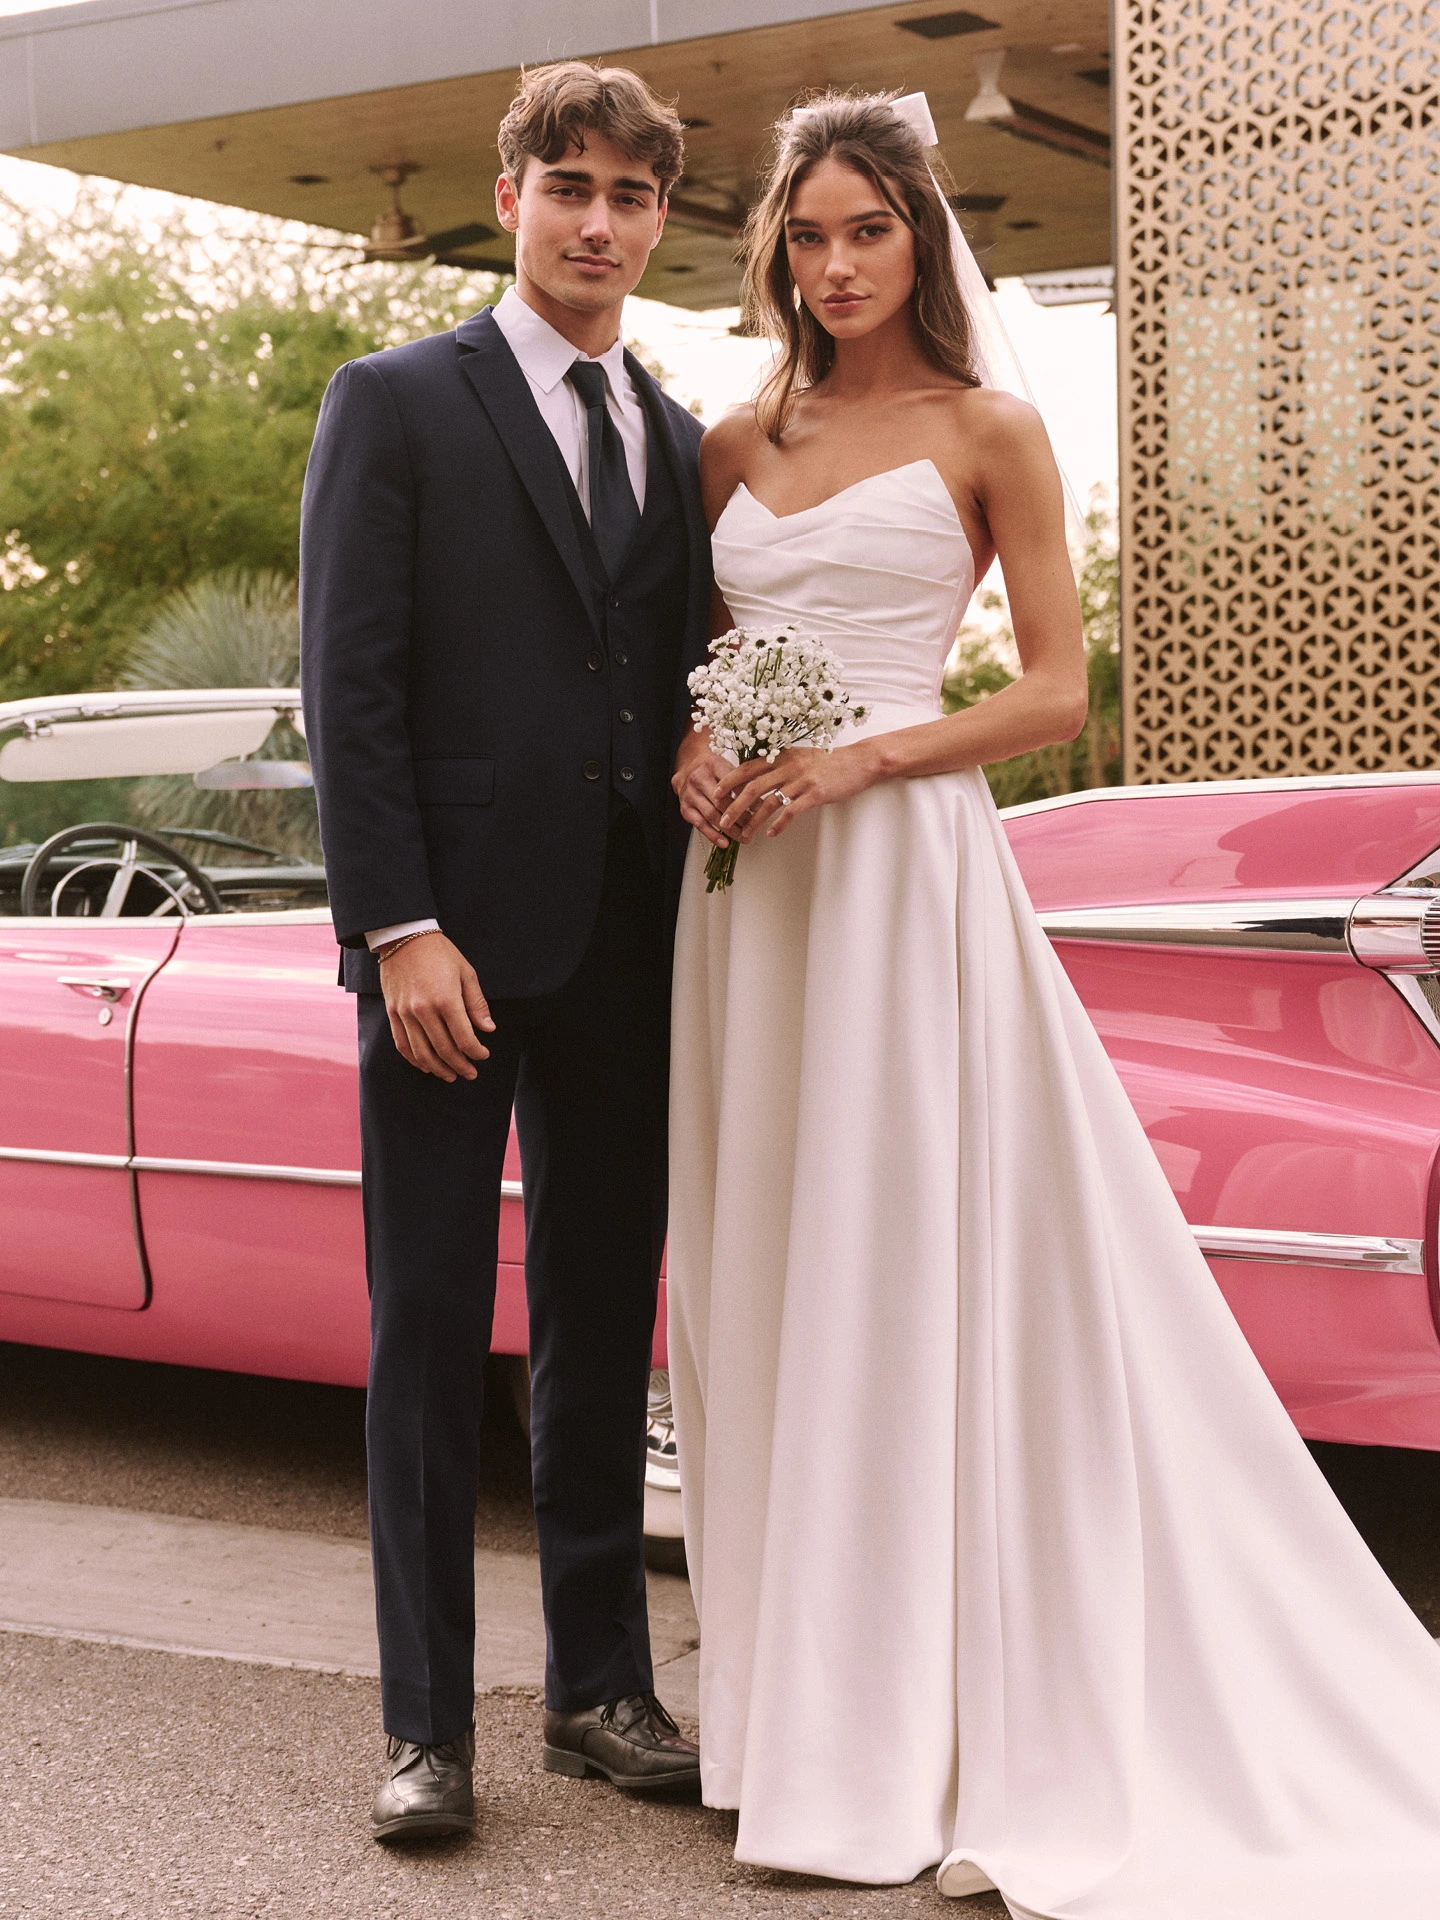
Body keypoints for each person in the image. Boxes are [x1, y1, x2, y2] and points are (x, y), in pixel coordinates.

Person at [666, 90, 1440, 1914]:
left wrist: (864, 764)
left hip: (899, 875)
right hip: (749, 900)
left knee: (900, 1250)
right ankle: (793, 1724)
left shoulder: (992, 426)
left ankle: (927, 1721)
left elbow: (1053, 699)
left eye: (869, 229)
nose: (838, 263)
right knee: (767, 1254)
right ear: (778, 249)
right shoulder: (732, 440)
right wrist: (709, 742)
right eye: (809, 234)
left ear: (925, 238)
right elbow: (697, 659)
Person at [300, 60, 711, 1842]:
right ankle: (425, 1732)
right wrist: (398, 928)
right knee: (424, 1331)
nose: (598, 222)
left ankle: (600, 1690)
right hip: (445, 956)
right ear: (513, 193)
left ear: (658, 221)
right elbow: (351, 690)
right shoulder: (393, 402)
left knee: (600, 1329)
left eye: (630, 196)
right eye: (571, 187)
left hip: (631, 940)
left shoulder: (683, 433)